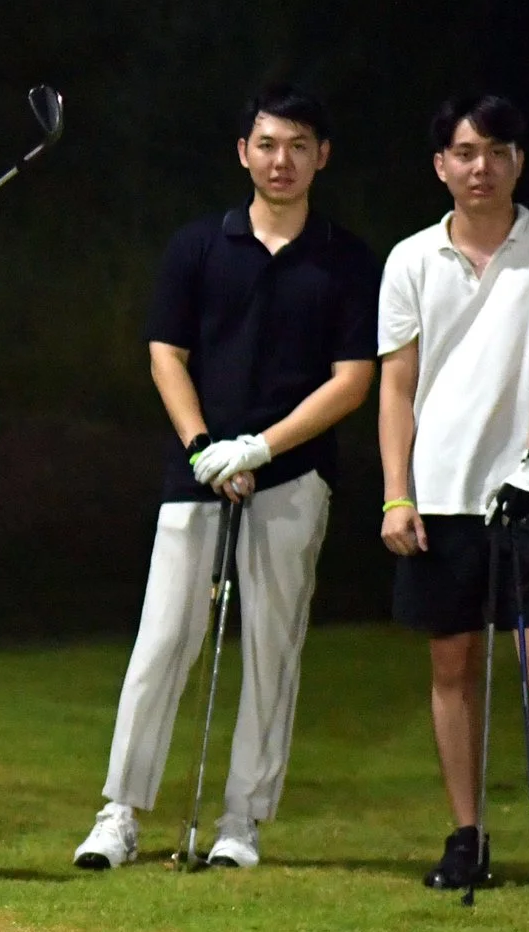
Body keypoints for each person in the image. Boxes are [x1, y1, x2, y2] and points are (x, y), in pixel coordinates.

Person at [73, 86, 379, 872]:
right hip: (196, 469)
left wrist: (261, 450)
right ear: (244, 151)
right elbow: (165, 354)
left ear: (322, 156)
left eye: (299, 145)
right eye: (268, 143)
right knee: (165, 635)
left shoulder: (346, 258)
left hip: (294, 472)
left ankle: (242, 818)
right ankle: (119, 812)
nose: (283, 160)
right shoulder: (199, 246)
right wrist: (208, 445)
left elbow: (351, 380)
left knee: (273, 647)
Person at [378, 94, 529, 907]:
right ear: (441, 164)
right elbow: (397, 385)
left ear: (519, 160)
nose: (481, 167)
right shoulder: (410, 259)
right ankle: (466, 834)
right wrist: (396, 493)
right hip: (439, 494)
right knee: (453, 663)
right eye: (465, 151)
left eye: (497, 151)